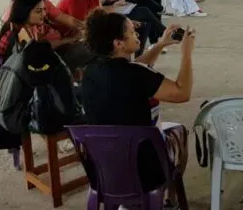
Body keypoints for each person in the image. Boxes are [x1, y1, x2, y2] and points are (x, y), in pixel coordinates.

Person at [81, 10, 195, 206]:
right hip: (142, 170)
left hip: (102, 167)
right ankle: (171, 197)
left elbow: (132, 70)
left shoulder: (90, 70)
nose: (137, 35)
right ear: (119, 44)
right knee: (180, 132)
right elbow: (182, 92)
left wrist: (159, 44)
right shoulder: (136, 76)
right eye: (132, 32)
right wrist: (187, 54)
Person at [0, 0, 94, 73]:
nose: (44, 14)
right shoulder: (21, 35)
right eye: (38, 11)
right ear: (25, 12)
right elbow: (34, 69)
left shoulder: (27, 27)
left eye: (44, 10)